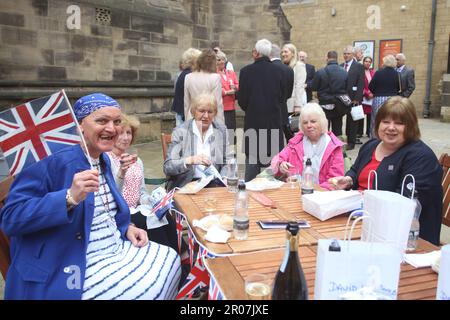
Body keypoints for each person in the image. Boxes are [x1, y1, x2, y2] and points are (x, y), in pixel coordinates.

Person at [0, 93, 181, 299]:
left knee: (171, 259)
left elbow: (107, 208)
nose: (112, 128)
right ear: (79, 126)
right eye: (102, 121)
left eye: (116, 121)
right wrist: (69, 197)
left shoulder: (101, 157)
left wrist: (127, 227)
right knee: (147, 290)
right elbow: (11, 218)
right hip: (69, 263)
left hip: (113, 248)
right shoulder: (46, 160)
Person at [331, 97, 443, 245]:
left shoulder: (421, 157)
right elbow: (355, 170)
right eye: (386, 122)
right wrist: (349, 180)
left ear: (411, 126)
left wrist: (359, 203)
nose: (391, 127)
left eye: (399, 123)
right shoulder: (371, 145)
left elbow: (404, 203)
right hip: (362, 221)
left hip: (404, 238)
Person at [108, 114, 178, 252]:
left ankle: (178, 255)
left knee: (163, 214)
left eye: (128, 133)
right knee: (149, 220)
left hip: (137, 207)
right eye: (121, 133)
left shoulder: (137, 161)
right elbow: (110, 194)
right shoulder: (106, 160)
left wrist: (153, 200)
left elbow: (141, 192)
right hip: (119, 212)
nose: (126, 137)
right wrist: (121, 173)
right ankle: (165, 255)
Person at [238, 39, 285, 181]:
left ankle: (249, 192)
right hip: (273, 121)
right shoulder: (280, 71)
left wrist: (252, 108)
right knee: (273, 163)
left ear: (256, 53)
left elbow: (242, 100)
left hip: (253, 121)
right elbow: (283, 97)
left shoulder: (246, 72)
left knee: (252, 162)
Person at [164, 92, 231, 190]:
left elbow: (227, 160)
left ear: (215, 113)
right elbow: (168, 167)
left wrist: (224, 178)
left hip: (214, 185)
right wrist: (189, 160)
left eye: (210, 112)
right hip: (186, 185)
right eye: (202, 111)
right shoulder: (180, 131)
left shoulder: (221, 130)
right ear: (193, 112)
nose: (206, 116)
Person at [270, 103, 344, 190]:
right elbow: (277, 160)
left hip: (323, 196)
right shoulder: (295, 142)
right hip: (296, 192)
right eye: (305, 122)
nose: (309, 125)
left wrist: (314, 190)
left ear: (322, 122)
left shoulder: (333, 146)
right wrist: (281, 165)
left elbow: (335, 180)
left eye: (313, 121)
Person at [310, 50, 348, 138]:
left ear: (327, 58)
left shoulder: (320, 72)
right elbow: (346, 88)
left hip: (324, 103)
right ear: (337, 58)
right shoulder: (344, 72)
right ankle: (338, 149)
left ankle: (325, 149)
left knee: (324, 129)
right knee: (338, 129)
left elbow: (314, 87)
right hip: (339, 104)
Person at [184, 48, 224, 123]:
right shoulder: (215, 78)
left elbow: (186, 104)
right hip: (208, 118)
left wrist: (187, 121)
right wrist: (221, 125)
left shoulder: (188, 77)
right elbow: (218, 104)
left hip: (192, 117)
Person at [368, 54, 400, 138]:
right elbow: (399, 87)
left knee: (376, 119)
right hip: (392, 99)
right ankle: (389, 136)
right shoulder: (396, 74)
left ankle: (375, 138)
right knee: (391, 119)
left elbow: (370, 86)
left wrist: (376, 92)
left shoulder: (378, 73)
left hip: (379, 98)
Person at [341, 45, 365, 150]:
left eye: (348, 54)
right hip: (341, 98)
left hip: (353, 98)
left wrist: (357, 98)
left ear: (353, 55)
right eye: (345, 54)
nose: (346, 56)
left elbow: (361, 83)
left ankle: (351, 142)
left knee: (352, 121)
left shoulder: (359, 66)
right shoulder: (340, 66)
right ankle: (342, 140)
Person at [270, 43, 295, 142]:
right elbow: (288, 93)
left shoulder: (267, 68)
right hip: (283, 108)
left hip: (269, 111)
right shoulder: (288, 69)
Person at [171, 48, 201, 126]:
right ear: (194, 61)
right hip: (186, 115)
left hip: (182, 113)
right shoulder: (189, 75)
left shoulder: (184, 73)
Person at [216, 50, 239, 133]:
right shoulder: (214, 74)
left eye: (223, 59)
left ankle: (231, 145)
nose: (221, 62)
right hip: (220, 107)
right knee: (221, 131)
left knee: (231, 130)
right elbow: (217, 90)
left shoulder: (231, 73)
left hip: (231, 106)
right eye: (219, 60)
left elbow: (237, 85)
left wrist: (234, 87)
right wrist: (227, 92)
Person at [281, 43, 307, 114]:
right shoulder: (283, 66)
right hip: (282, 104)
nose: (283, 54)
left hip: (292, 105)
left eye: (286, 52)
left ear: (293, 53)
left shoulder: (299, 66)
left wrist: (297, 105)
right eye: (282, 52)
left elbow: (299, 86)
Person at [362, 56, 375, 137]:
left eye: (369, 61)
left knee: (370, 116)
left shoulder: (373, 72)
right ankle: (359, 132)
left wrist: (372, 94)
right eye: (366, 61)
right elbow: (360, 85)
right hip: (363, 97)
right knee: (361, 116)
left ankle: (368, 131)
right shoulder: (360, 72)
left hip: (372, 97)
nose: (367, 63)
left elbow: (376, 84)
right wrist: (367, 93)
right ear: (363, 62)